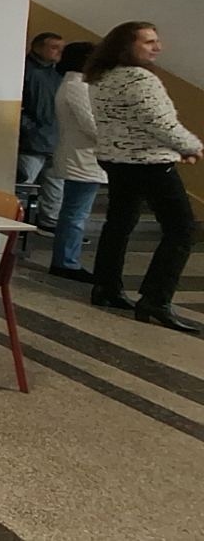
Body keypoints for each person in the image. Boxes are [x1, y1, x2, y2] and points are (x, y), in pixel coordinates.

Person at [85, 22, 201, 332]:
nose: (157, 47)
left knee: (119, 223)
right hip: (149, 163)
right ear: (126, 46)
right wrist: (191, 146)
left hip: (116, 160)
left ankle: (106, 287)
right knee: (182, 229)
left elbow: (132, 123)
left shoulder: (101, 77)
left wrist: (176, 148)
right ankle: (155, 299)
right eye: (149, 42)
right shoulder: (140, 78)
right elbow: (160, 123)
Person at [48, 41, 101, 283]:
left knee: (76, 212)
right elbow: (91, 125)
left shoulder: (80, 84)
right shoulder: (76, 86)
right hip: (81, 158)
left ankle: (67, 259)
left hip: (84, 157)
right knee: (75, 214)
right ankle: (66, 262)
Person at [19, 32, 66, 231]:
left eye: (61, 48)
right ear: (38, 47)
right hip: (32, 141)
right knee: (24, 184)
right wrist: (31, 129)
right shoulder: (25, 71)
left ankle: (50, 221)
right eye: (54, 47)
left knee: (55, 185)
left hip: (54, 138)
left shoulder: (56, 74)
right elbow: (19, 106)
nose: (59, 52)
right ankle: (15, 221)